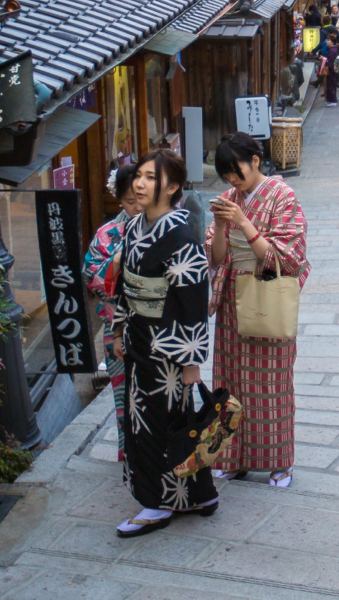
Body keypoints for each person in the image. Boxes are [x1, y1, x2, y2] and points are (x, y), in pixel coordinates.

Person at [112, 149, 215, 537]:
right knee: (156, 423)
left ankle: (155, 504)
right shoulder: (134, 226)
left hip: (169, 347)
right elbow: (126, 283)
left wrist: (192, 360)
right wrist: (120, 329)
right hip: (140, 339)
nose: (139, 183)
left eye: (150, 178)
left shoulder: (180, 234)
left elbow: (192, 300)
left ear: (172, 187)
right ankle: (200, 493)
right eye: (139, 175)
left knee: (161, 426)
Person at [205, 133, 309, 488]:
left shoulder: (283, 196)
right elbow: (216, 258)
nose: (232, 180)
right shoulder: (228, 200)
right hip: (233, 306)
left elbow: (286, 256)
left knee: (272, 386)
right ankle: (230, 457)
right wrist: (220, 225)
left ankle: (280, 462)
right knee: (229, 382)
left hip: (266, 299)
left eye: (237, 171)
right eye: (226, 175)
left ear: (255, 160)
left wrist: (244, 222)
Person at [82, 163, 141, 463]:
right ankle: (129, 454)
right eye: (129, 202)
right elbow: (92, 275)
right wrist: (117, 263)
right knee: (123, 396)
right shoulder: (107, 234)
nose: (135, 207)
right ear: (119, 200)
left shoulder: (161, 225)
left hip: (156, 327)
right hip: (117, 329)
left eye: (140, 199)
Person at [323, 28, 339, 106]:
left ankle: (333, 100)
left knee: (331, 85)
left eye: (328, 40)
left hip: (332, 71)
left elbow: (331, 61)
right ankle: (332, 99)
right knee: (332, 84)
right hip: (333, 70)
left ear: (332, 42)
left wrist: (324, 59)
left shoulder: (332, 50)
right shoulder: (334, 49)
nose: (327, 41)